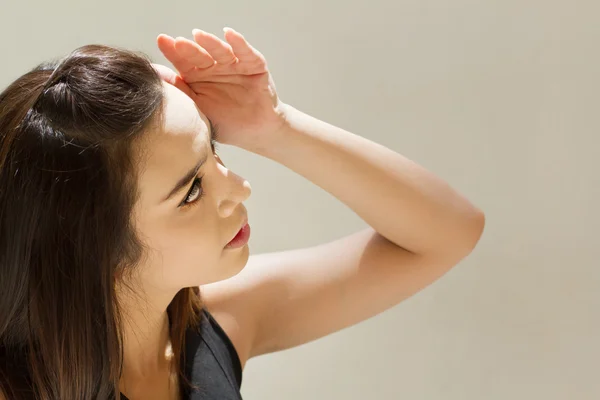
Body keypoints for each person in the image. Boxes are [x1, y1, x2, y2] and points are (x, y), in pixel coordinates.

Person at [0, 27, 485, 399]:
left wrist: (275, 126)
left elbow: (449, 232)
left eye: (214, 150)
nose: (241, 188)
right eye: (191, 190)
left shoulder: (214, 321)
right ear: (93, 244)